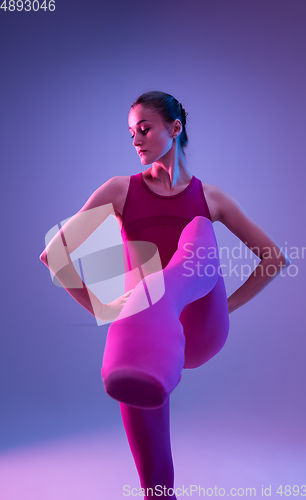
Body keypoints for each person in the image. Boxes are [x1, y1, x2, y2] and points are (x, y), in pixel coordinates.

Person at [40, 91, 290, 499]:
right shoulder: (120, 191)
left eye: (144, 129)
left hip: (197, 328)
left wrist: (225, 308)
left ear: (175, 129)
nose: (136, 140)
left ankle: (155, 304)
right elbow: (55, 255)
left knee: (199, 231)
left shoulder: (211, 199)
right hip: (144, 343)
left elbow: (273, 258)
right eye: (130, 133)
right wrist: (104, 309)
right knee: (155, 480)